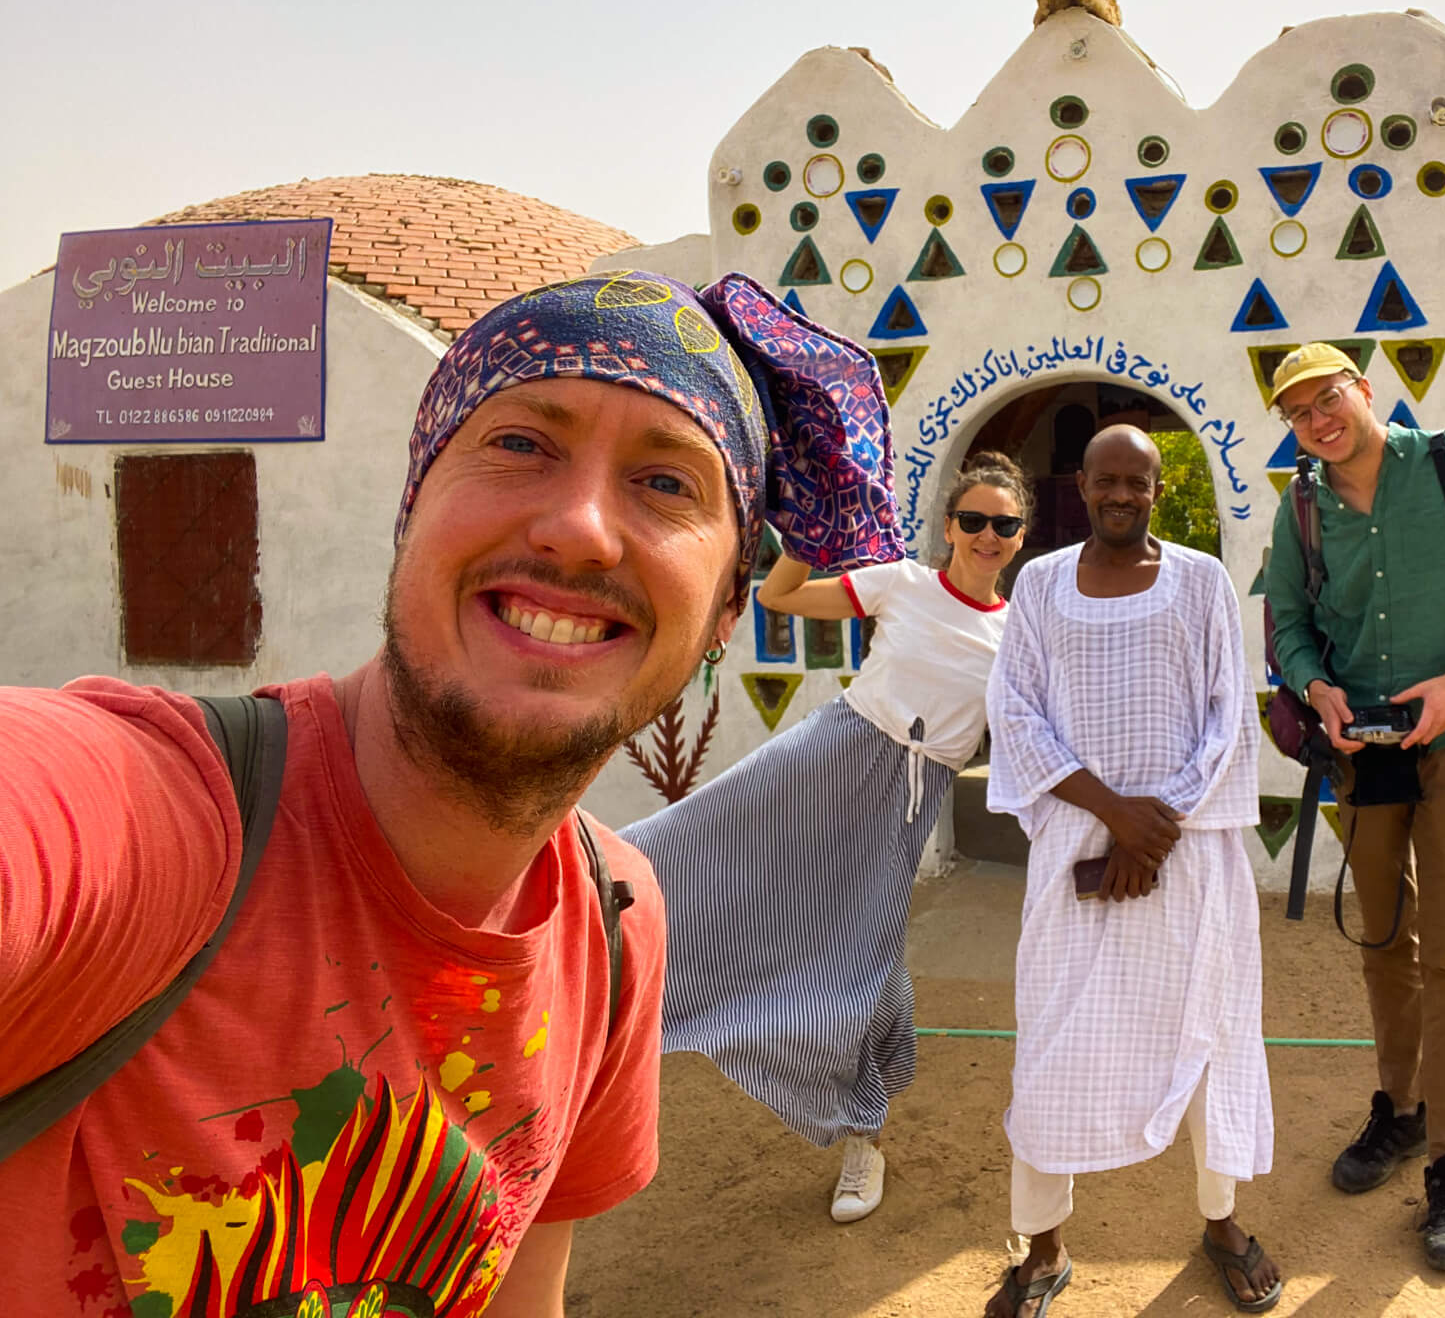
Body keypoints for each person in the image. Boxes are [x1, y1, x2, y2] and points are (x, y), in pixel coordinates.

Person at [0, 271, 906, 1316]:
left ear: (720, 616)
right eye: (521, 444)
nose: (579, 529)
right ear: (411, 510)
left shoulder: (613, 928)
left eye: (667, 485)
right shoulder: (149, 820)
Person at [621, 451, 1031, 1223]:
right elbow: (779, 596)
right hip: (831, 752)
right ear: (948, 526)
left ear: (1018, 538)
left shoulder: (1020, 635)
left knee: (865, 964)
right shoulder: (901, 582)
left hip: (908, 800)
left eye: (1002, 525)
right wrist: (814, 526)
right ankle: (568, 918)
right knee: (691, 841)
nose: (986, 534)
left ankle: (863, 1139)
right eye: (971, 519)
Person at [1264, 341, 1445, 1273]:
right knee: (1383, 941)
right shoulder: (1301, 504)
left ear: (1365, 390)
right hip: (1367, 759)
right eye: (1299, 412)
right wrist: (1318, 691)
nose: (1319, 420)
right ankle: (1399, 1109)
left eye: (1328, 397)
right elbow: (1287, 622)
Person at [981, 424, 1282, 1317]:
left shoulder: (1202, 582)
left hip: (1186, 856)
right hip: (1079, 851)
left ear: (1159, 489)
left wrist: (1155, 830)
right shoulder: (1037, 583)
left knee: (1212, 1032)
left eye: (1137, 483)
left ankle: (1221, 1221)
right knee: (1051, 1041)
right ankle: (1042, 1247)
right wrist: (1114, 815)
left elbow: (1228, 718)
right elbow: (1017, 710)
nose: (1120, 494)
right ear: (1082, 485)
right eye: (1105, 481)